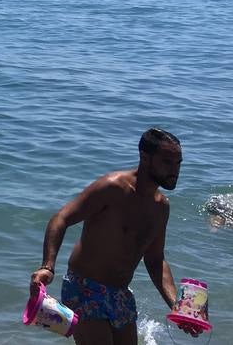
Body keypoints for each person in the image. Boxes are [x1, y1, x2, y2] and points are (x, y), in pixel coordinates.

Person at [29, 127, 197, 345]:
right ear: (145, 158)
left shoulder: (161, 207)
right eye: (167, 162)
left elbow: (155, 260)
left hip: (120, 294)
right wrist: (47, 266)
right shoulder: (112, 188)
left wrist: (177, 307)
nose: (175, 170)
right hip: (84, 288)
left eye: (178, 163)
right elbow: (61, 218)